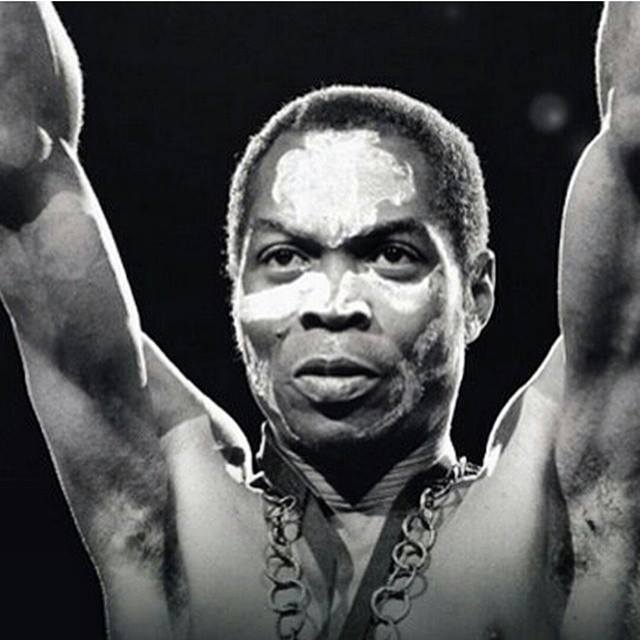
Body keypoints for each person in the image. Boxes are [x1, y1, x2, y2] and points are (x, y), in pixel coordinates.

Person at [0, 2, 637, 639]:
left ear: (476, 293)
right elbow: (20, 148)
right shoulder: (171, 507)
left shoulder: (549, 508)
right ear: (236, 286)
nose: (333, 304)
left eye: (390, 255)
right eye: (285, 258)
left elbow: (634, 129)